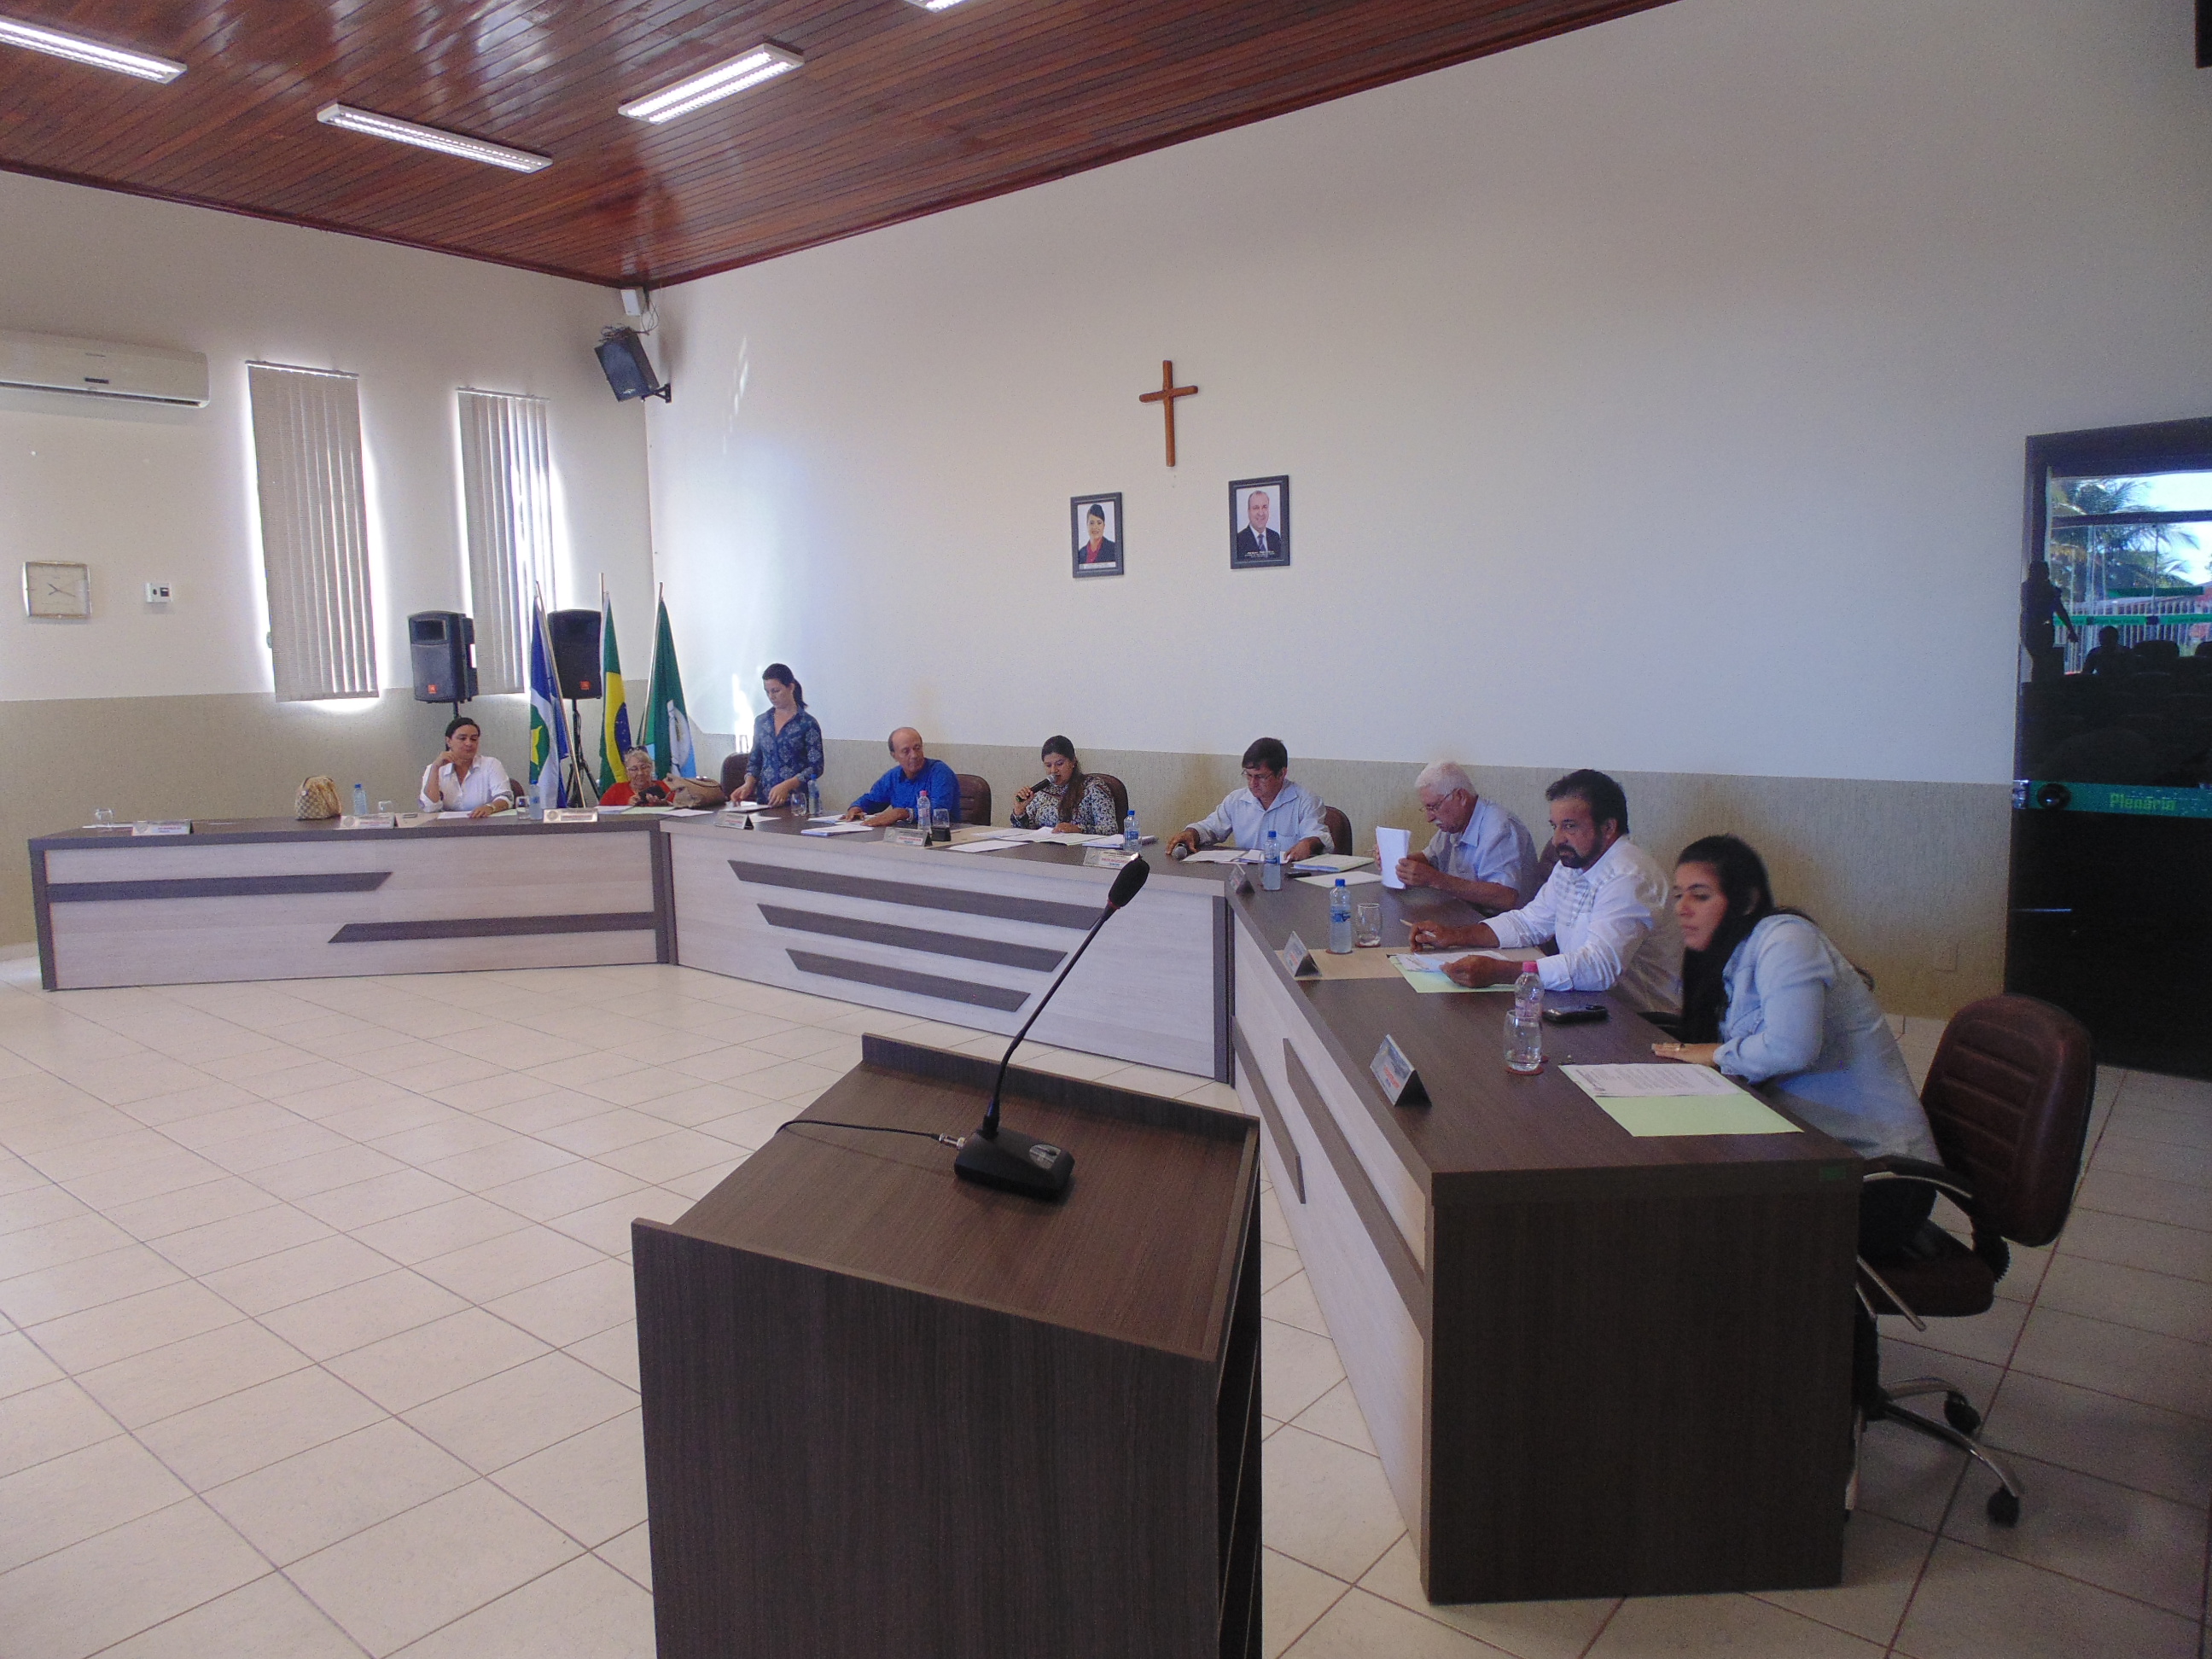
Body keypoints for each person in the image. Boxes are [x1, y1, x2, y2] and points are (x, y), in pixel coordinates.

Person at [1651, 834, 1945, 1412]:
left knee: (1716, 1230)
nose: (1682, 908)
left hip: (1883, 1178)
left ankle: (1810, 1409)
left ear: (1745, 899)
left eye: (1700, 895)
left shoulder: (1786, 940)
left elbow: (1790, 1047)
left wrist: (1712, 1054)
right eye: (1679, 894)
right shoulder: (1729, 955)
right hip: (1818, 1156)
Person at [1406, 768, 1679, 1010]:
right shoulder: (1573, 864)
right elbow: (1529, 922)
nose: (1558, 839)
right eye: (1555, 826)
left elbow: (1598, 969)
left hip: (1643, 1022)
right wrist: (1453, 936)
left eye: (1570, 826)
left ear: (1608, 827)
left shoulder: (1629, 877)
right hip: (1588, 1005)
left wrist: (1501, 972)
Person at [671, 663, 822, 808]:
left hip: (796, 801)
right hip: (765, 800)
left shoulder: (807, 723)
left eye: (776, 691)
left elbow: (816, 767)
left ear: (790, 687)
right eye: (767, 692)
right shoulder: (762, 721)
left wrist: (788, 785)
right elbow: (755, 760)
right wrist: (748, 784)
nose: (771, 696)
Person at [1394, 761, 1540, 911]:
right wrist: (1399, 862)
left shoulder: (1499, 829)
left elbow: (1505, 897)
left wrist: (1436, 880)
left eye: (1434, 807)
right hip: (1465, 913)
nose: (1429, 818)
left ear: (1460, 796)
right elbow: (1430, 859)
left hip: (1499, 921)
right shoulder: (1453, 825)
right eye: (1426, 808)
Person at [1167, 738, 1327, 864]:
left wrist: (1308, 844)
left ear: (1281, 773)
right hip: (1246, 878)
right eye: (1248, 775)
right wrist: (1192, 833)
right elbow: (1210, 828)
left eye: (1260, 777)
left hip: (1288, 880)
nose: (1252, 783)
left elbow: (1317, 835)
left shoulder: (1306, 801)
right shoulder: (1236, 800)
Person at [844, 728, 963, 828]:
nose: (914, 755)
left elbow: (939, 810)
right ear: (894, 755)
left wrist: (903, 813)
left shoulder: (940, 772)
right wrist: (857, 807)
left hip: (944, 837)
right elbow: (873, 799)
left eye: (917, 748)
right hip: (905, 838)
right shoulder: (894, 776)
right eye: (906, 751)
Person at [1010, 736, 1119, 835]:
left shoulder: (1094, 788)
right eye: (1048, 765)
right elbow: (1026, 831)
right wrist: (1020, 811)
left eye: (1059, 764)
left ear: (1073, 762)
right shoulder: (1041, 792)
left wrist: (1079, 829)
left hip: (1080, 848)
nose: (1053, 770)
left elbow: (1110, 829)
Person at [418, 715, 515, 818]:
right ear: (448, 741)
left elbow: (506, 798)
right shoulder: (435, 768)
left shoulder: (491, 764)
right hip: (448, 825)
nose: (469, 743)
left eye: (474, 739)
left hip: (483, 823)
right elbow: (430, 807)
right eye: (462, 739)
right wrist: (435, 769)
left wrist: (490, 807)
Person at [2018, 557, 2075, 683]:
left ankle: (2039, 686)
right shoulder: (2028, 589)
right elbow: (2035, 607)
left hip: (2044, 628)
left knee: (2041, 662)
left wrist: (2071, 629)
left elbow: (2060, 609)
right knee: (2039, 661)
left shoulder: (2049, 589)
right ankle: (2037, 687)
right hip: (2033, 628)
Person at [598, 748, 673, 808]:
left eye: (644, 767)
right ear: (627, 772)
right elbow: (601, 813)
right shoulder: (616, 790)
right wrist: (626, 807)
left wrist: (665, 804)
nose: (640, 773)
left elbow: (678, 809)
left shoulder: (664, 787)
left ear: (651, 768)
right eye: (634, 769)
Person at [1233, 490, 1282, 560]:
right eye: (1256, 508)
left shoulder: (1275, 537)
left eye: (1264, 507)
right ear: (1249, 512)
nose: (1261, 513)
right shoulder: (1238, 541)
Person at [1075, 504, 1118, 569]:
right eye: (1092, 523)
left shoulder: (1114, 549)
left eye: (1099, 523)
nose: (1095, 527)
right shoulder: (1080, 554)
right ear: (1087, 525)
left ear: (1104, 526)